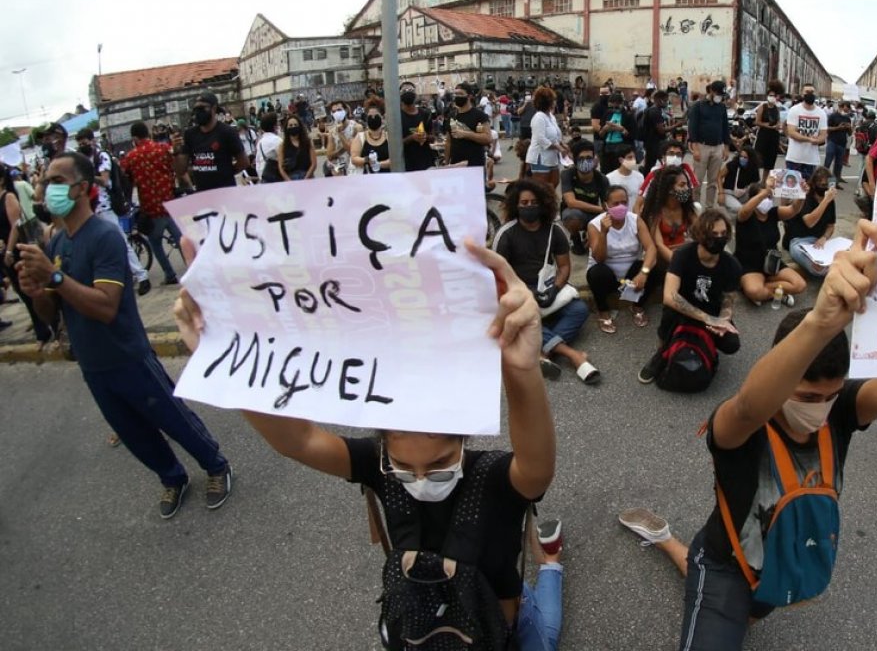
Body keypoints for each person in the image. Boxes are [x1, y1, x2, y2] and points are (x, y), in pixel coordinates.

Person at [618, 223, 877, 649]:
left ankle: (696, 570)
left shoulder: (839, 413)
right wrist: (820, 320)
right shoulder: (741, 426)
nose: (820, 408)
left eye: (830, 396)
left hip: (781, 558)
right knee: (711, 592)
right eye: (806, 396)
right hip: (726, 564)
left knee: (749, 614)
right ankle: (668, 540)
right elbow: (747, 405)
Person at [173, 235, 564, 648]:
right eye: (402, 468)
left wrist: (521, 371)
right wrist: (228, 362)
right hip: (422, 626)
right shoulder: (376, 466)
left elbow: (537, 469)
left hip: (501, 633)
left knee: (548, 631)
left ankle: (552, 565)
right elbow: (298, 441)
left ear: (463, 441)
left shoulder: (495, 480)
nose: (419, 479)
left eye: (440, 467)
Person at [16, 152, 231, 519]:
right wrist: (38, 293)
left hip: (128, 354)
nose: (44, 188)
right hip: (93, 363)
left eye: (55, 180)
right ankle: (171, 477)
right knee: (132, 432)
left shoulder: (104, 236)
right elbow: (52, 312)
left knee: (171, 417)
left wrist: (54, 279)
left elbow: (106, 306)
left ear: (81, 188)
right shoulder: (57, 244)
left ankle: (215, 465)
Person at [493, 179, 600, 385]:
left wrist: (555, 288)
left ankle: (541, 350)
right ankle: (573, 355)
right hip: (518, 292)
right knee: (521, 315)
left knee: (579, 309)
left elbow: (564, 267)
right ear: (516, 204)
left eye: (533, 202)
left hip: (546, 287)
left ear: (543, 204)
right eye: (523, 203)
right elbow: (498, 275)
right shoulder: (505, 234)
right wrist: (523, 292)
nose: (529, 206)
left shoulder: (555, 231)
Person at [637, 209, 743, 386]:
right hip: (682, 309)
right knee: (669, 316)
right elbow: (670, 297)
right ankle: (661, 353)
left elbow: (728, 300)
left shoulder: (732, 265)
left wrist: (723, 320)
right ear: (701, 234)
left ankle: (703, 346)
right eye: (714, 233)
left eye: (723, 233)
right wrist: (707, 319)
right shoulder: (684, 255)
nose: (719, 238)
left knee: (731, 343)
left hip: (712, 310)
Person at [75, 128, 151, 295]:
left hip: (105, 207)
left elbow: (104, 180)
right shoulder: (81, 160)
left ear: (92, 140)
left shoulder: (100, 157)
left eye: (85, 142)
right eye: (80, 143)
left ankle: (141, 275)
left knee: (121, 241)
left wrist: (87, 174)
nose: (83, 145)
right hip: (90, 209)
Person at [586, 184, 659, 333]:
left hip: (632, 276)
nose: (621, 206)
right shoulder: (594, 225)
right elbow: (599, 258)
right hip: (608, 275)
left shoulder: (635, 220)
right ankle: (603, 311)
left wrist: (643, 272)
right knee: (597, 272)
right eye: (616, 203)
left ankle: (637, 305)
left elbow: (651, 248)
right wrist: (603, 233)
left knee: (656, 267)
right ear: (606, 205)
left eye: (624, 202)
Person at [121, 121, 184, 285]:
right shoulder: (163, 149)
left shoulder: (131, 157)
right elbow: (177, 167)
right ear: (148, 133)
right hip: (170, 201)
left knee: (156, 244)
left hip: (151, 207)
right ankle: (194, 268)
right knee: (180, 239)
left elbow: (124, 179)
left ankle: (170, 275)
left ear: (134, 138)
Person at [1, 166, 55, 345]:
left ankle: (49, 327)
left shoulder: (8, 197)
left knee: (32, 288)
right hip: (3, 251)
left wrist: (9, 250)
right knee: (21, 290)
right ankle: (40, 326)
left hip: (15, 249)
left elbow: (16, 225)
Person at [734, 181, 805, 305]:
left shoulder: (773, 213)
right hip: (749, 264)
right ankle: (777, 293)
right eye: (763, 197)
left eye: (770, 197)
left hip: (772, 263)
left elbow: (793, 209)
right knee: (754, 290)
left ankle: (766, 291)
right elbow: (744, 211)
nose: (767, 199)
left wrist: (801, 195)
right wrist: (764, 192)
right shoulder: (745, 215)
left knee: (799, 285)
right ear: (753, 199)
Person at [176, 91, 249, 191]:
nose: (198, 112)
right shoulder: (190, 134)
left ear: (214, 108)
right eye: (196, 109)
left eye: (202, 108)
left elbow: (244, 162)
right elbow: (181, 169)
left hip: (225, 192)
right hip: (202, 194)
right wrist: (176, 152)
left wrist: (226, 173)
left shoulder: (227, 132)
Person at [784, 166, 839, 277]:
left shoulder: (829, 200)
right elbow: (809, 222)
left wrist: (824, 237)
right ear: (814, 184)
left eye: (827, 185)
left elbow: (831, 225)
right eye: (822, 185)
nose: (825, 188)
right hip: (799, 241)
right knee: (818, 268)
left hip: (818, 241)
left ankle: (836, 271)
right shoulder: (806, 197)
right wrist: (825, 201)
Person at [559, 140, 609, 255]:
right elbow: (571, 202)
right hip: (572, 213)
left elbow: (607, 205)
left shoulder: (601, 179)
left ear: (594, 158)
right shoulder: (567, 175)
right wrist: (601, 210)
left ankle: (589, 236)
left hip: (593, 214)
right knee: (573, 217)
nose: (586, 161)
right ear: (575, 160)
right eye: (581, 158)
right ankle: (575, 238)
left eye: (589, 157)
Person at [687, 80, 732, 207]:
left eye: (722, 95)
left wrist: (726, 147)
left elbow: (725, 127)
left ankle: (709, 206)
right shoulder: (698, 106)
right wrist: (695, 148)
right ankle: (695, 206)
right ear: (711, 91)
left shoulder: (722, 107)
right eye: (718, 94)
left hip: (718, 147)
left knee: (713, 181)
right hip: (702, 146)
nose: (719, 97)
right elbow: (692, 128)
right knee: (697, 180)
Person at [642, 166, 698, 268]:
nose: (687, 189)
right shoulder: (655, 213)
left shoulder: (687, 209)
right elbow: (659, 245)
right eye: (682, 185)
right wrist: (680, 264)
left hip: (684, 254)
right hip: (663, 260)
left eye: (687, 185)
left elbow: (701, 231)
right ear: (669, 189)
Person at [636, 140, 699, 214]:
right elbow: (639, 201)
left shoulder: (686, 171)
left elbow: (692, 194)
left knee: (697, 207)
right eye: (671, 154)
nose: (675, 157)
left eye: (678, 154)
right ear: (663, 156)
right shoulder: (655, 173)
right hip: (659, 210)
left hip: (680, 209)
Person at [783, 83, 826, 180]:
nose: (810, 94)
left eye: (812, 92)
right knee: (792, 189)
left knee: (807, 189)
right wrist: (810, 139)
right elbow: (792, 132)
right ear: (802, 94)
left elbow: (823, 135)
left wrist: (818, 140)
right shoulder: (794, 110)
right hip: (794, 158)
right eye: (807, 92)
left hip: (811, 160)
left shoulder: (821, 113)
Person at [526, 86, 565, 189]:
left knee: (554, 183)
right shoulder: (538, 117)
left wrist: (562, 144)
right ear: (548, 102)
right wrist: (558, 147)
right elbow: (541, 139)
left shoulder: (551, 116)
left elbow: (556, 134)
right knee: (542, 188)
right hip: (540, 157)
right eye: (553, 100)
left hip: (552, 157)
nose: (555, 102)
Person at [446, 84, 492, 171]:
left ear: (469, 96)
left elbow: (487, 138)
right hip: (456, 165)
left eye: (460, 93)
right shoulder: (452, 115)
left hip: (475, 165)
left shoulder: (479, 115)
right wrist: (446, 163)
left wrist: (465, 134)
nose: (457, 96)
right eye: (455, 94)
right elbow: (448, 141)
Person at [753, 80, 785, 174]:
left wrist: (778, 126)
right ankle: (755, 181)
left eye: (774, 96)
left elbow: (779, 121)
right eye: (770, 95)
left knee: (770, 162)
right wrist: (766, 125)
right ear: (767, 96)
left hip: (774, 136)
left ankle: (764, 182)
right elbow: (757, 122)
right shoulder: (763, 106)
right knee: (758, 160)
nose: (772, 97)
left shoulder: (777, 108)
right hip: (763, 136)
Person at [598, 90, 633, 174]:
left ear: (621, 104)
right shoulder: (607, 114)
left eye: (616, 107)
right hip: (607, 148)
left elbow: (632, 136)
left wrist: (621, 129)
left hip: (621, 147)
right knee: (606, 171)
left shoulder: (628, 116)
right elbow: (600, 134)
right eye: (611, 107)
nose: (613, 109)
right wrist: (605, 129)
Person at [352, 98, 391, 174]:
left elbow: (395, 159)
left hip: (388, 177)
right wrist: (367, 160)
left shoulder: (389, 136)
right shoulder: (360, 137)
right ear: (366, 119)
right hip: (367, 179)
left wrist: (378, 164)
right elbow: (354, 159)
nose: (373, 118)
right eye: (370, 116)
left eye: (376, 116)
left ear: (382, 118)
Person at [716, 144, 759, 214]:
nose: (742, 159)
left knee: (759, 205)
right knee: (739, 209)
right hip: (729, 193)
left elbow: (755, 185)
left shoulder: (753, 169)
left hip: (744, 193)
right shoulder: (732, 165)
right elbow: (719, 176)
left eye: (745, 157)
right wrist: (721, 193)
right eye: (741, 156)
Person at [277, 114, 316, 181]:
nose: (293, 127)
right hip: (291, 178)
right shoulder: (282, 146)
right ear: (286, 127)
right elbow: (280, 167)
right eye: (290, 125)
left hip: (307, 177)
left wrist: (306, 178)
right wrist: (289, 181)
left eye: (295, 125)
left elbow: (314, 163)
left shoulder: (308, 142)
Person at [640, 89, 671, 173]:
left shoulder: (653, 110)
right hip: (653, 143)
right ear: (658, 100)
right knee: (651, 166)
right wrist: (676, 126)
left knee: (651, 164)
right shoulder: (655, 111)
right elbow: (661, 130)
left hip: (652, 143)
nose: (666, 102)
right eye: (665, 100)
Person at [824, 101, 852, 183]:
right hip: (832, 141)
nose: (846, 111)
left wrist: (849, 127)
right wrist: (838, 128)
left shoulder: (847, 118)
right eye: (845, 108)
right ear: (841, 107)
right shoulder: (833, 116)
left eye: (847, 109)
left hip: (842, 143)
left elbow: (850, 133)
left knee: (839, 164)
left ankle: (835, 181)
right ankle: (824, 179)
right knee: (828, 161)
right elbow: (827, 128)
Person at [254, 113, 283, 183]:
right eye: (277, 123)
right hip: (275, 178)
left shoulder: (260, 142)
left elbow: (257, 161)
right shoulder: (277, 140)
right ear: (274, 126)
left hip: (264, 177)